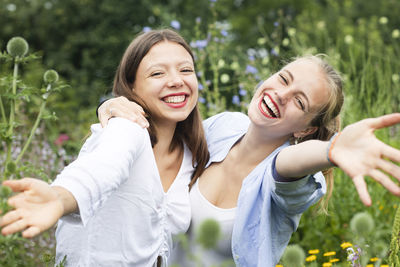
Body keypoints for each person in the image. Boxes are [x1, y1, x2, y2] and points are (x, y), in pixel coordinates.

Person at [96, 55, 400, 266]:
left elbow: (286, 166)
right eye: (283, 79)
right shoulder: (221, 127)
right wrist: (115, 106)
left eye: (299, 101)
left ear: (305, 128)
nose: (281, 94)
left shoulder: (295, 176)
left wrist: (330, 150)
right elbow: (158, 145)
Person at [0, 29, 210, 267]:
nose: (176, 80)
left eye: (186, 70)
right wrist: (59, 198)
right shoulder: (126, 130)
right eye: (157, 73)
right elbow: (100, 169)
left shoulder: (194, 150)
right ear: (131, 87)